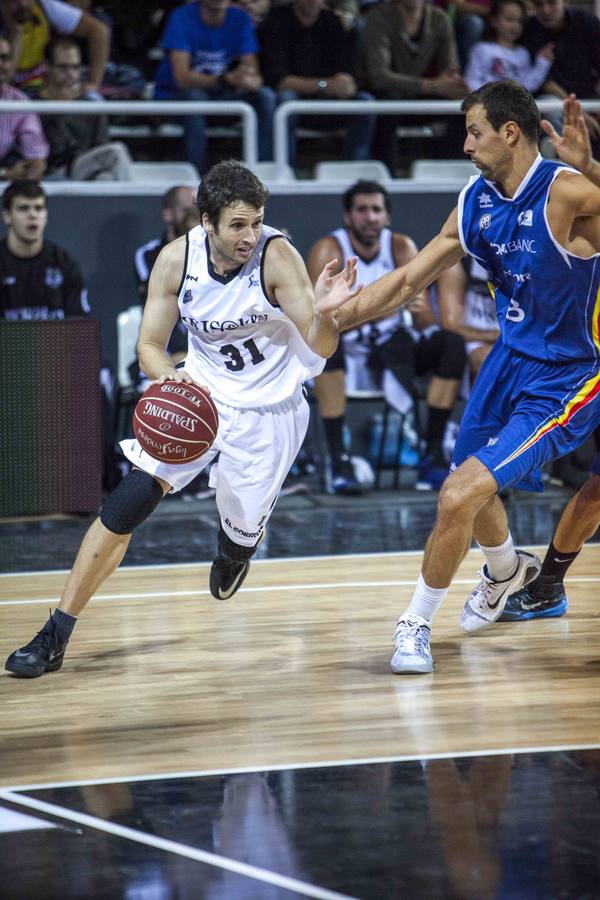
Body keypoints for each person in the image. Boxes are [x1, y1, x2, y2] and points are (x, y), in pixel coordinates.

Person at [4, 158, 358, 678]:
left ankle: (236, 550)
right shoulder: (176, 260)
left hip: (268, 412)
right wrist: (171, 377)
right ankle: (55, 632)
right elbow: (150, 346)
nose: (250, 234)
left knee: (238, 536)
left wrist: (329, 316)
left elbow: (318, 347)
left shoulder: (278, 257)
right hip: (202, 394)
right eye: (238, 224)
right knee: (128, 501)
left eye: (257, 221)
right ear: (207, 221)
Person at [328, 83, 600, 674]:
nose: (465, 144)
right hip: (508, 361)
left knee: (457, 494)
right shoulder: (475, 200)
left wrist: (593, 168)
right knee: (467, 488)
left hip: (568, 376)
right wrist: (334, 317)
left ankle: (415, 624)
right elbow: (406, 281)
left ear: (509, 133)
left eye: (474, 132)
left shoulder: (567, 193)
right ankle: (506, 572)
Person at [306, 180, 466, 493]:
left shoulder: (401, 247)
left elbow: (425, 322)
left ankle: (432, 455)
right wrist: (384, 307)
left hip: (396, 351)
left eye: (377, 210)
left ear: (387, 217)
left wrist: (418, 309)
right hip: (348, 351)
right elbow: (317, 322)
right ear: (347, 217)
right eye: (362, 210)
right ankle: (339, 461)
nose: (370, 217)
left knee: (451, 345)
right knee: (326, 352)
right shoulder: (330, 249)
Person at [153, 0, 275, 175]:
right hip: (176, 99)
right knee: (195, 97)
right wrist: (225, 79)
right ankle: (197, 178)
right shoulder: (181, 17)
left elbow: (252, 70)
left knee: (265, 96)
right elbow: (182, 79)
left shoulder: (240, 17)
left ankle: (263, 174)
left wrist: (249, 79)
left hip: (221, 96)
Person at [258, 0, 376, 169]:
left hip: (328, 100)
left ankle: (354, 170)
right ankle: (284, 169)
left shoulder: (332, 21)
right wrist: (324, 84)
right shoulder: (276, 20)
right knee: (286, 100)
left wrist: (346, 83)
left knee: (365, 102)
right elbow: (280, 81)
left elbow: (343, 72)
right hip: (296, 102)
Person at [363, 0, 469, 172]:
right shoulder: (378, 17)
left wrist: (451, 82)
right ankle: (388, 175)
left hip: (420, 94)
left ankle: (447, 172)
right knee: (388, 101)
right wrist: (431, 86)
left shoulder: (439, 18)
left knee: (461, 106)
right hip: (388, 94)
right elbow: (379, 77)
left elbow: (450, 69)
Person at [38, 37, 133, 180]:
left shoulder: (90, 104)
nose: (71, 74)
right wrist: (61, 111)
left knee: (105, 178)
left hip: (86, 167)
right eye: (63, 67)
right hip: (53, 171)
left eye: (75, 67)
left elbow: (101, 145)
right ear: (47, 67)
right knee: (117, 152)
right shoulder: (33, 104)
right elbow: (54, 152)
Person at [522, 0, 600, 152]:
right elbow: (546, 83)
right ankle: (559, 156)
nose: (545, 10)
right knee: (552, 109)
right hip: (553, 101)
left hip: (589, 97)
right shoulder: (529, 30)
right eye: (539, 4)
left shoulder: (588, 23)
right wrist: (578, 113)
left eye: (551, 3)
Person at [0, 0, 110, 96]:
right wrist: (15, 33)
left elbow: (99, 31)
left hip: (45, 82)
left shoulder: (44, 5)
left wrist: (93, 83)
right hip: (12, 90)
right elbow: (5, 78)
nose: (23, 4)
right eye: (13, 0)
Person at [464, 0, 554, 94]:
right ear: (494, 21)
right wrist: (489, 97)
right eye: (509, 20)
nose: (515, 26)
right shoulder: (482, 49)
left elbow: (526, 85)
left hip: (513, 106)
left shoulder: (522, 53)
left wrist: (542, 63)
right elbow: (471, 80)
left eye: (520, 21)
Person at [0, 34, 48, 181]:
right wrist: (4, 174)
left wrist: (32, 168)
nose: (2, 64)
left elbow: (36, 155)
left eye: (5, 58)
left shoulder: (19, 101)